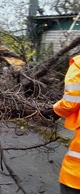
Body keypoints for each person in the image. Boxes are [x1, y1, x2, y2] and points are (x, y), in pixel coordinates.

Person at [53, 55, 80, 193]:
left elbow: (70, 102)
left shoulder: (79, 64)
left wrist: (55, 110)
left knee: (73, 175)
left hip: (76, 179)